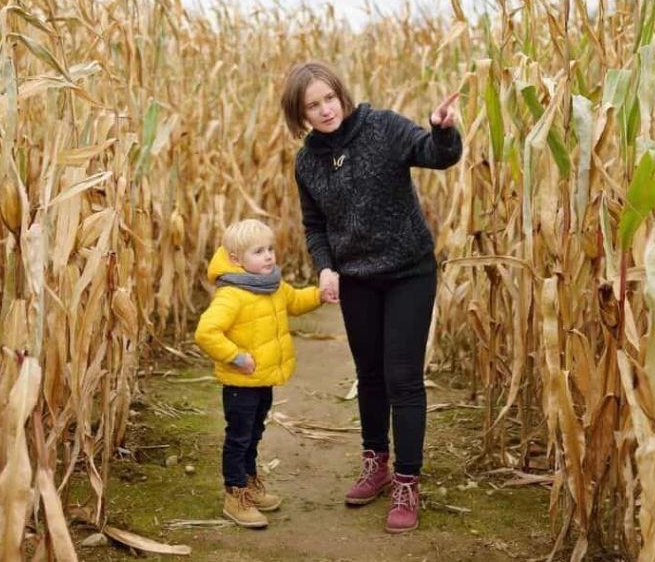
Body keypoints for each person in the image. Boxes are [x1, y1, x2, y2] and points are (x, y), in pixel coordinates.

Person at [279, 60, 461, 533]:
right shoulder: (307, 162)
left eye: (328, 98)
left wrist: (442, 130)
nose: (325, 110)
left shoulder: (382, 127)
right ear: (300, 114)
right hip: (357, 278)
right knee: (370, 375)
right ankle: (375, 463)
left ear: (341, 94)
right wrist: (325, 267)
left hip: (408, 272)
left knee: (403, 377)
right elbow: (315, 226)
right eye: (312, 106)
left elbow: (436, 155)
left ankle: (407, 481)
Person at [194, 218, 324, 529]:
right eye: (258, 251)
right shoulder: (232, 295)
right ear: (235, 259)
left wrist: (321, 295)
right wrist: (236, 357)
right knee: (239, 438)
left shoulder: (271, 285)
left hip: (263, 380)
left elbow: (295, 301)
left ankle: (249, 483)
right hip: (241, 383)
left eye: (270, 249)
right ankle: (235, 495)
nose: (268, 256)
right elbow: (206, 332)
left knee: (254, 434)